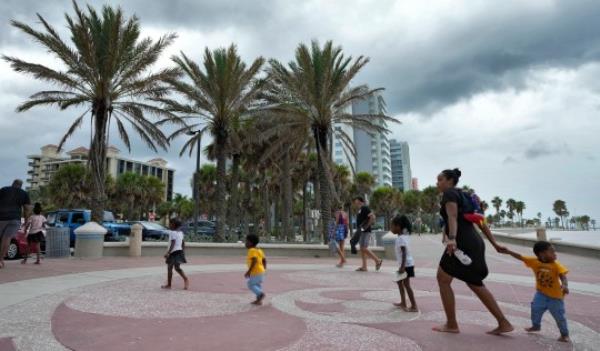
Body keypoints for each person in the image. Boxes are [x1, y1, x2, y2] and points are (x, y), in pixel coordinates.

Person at [433, 169, 513, 335]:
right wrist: (494, 244)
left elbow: (452, 217)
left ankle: (452, 324)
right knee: (473, 281)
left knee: (443, 279)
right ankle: (503, 322)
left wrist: (453, 239)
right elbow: (481, 221)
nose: (437, 183)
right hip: (474, 241)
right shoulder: (466, 195)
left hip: (462, 243)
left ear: (449, 181)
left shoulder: (449, 194)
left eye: (440, 179)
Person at [501, 241, 570, 342]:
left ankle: (564, 334)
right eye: (551, 252)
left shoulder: (556, 265)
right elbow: (521, 257)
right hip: (541, 294)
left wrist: (564, 285)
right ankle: (536, 326)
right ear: (542, 254)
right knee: (535, 309)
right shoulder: (534, 261)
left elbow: (563, 276)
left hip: (555, 298)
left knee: (559, 317)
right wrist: (509, 252)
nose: (555, 254)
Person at [0, 179, 31, 268]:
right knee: (7, 239)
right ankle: (0, 260)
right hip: (15, 219)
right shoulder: (24, 193)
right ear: (21, 185)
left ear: (12, 183)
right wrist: (26, 220)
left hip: (1, 217)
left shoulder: (4, 189)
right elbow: (27, 208)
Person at [391, 214, 418, 312]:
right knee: (399, 282)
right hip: (406, 264)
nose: (391, 228)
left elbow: (404, 252)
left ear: (398, 226)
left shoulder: (401, 238)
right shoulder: (403, 236)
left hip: (406, 265)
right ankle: (403, 302)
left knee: (406, 284)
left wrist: (402, 267)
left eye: (392, 226)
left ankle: (414, 306)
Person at [352, 196, 382, 272]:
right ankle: (364, 267)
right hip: (361, 231)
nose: (355, 203)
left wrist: (367, 226)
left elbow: (373, 217)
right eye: (355, 202)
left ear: (360, 201)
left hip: (366, 231)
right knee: (362, 249)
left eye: (357, 201)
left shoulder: (365, 208)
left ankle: (377, 260)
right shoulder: (360, 210)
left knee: (364, 248)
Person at [162, 218, 189, 290]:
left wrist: (168, 252)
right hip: (179, 251)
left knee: (170, 268)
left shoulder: (172, 232)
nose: (169, 225)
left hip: (173, 253)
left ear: (173, 225)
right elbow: (183, 243)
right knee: (177, 268)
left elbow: (173, 243)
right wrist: (183, 251)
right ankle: (185, 279)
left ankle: (169, 285)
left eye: (170, 223)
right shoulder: (181, 233)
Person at [245, 234, 267, 305]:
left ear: (251, 243)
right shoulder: (259, 250)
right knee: (257, 285)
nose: (245, 243)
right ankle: (259, 300)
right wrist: (264, 268)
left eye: (247, 242)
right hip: (261, 271)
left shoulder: (252, 250)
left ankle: (260, 294)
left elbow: (254, 260)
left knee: (250, 284)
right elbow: (264, 260)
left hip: (256, 271)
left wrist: (249, 271)